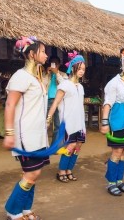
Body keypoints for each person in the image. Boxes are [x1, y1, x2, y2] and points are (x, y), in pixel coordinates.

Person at [2, 36, 48, 220]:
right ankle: (13, 210)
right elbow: (10, 105)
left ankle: (25, 209)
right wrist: (9, 134)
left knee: (33, 174)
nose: (46, 55)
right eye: (43, 51)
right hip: (25, 134)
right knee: (32, 173)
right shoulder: (20, 77)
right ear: (31, 54)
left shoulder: (36, 78)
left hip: (38, 134)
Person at [100, 47, 124, 196]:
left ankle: (119, 181)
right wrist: (105, 123)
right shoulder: (114, 83)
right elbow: (107, 103)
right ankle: (111, 182)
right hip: (117, 122)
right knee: (116, 151)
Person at [47, 51, 86, 182]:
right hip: (69, 123)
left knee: (78, 146)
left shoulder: (80, 87)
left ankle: (69, 169)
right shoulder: (64, 84)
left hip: (80, 122)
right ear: (73, 68)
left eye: (83, 69)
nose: (81, 71)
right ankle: (61, 171)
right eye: (79, 68)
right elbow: (56, 102)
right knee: (69, 147)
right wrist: (48, 118)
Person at [43, 56, 67, 145]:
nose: (54, 65)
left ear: (59, 64)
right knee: (44, 124)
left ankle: (55, 146)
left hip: (59, 101)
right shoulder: (46, 74)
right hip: (47, 101)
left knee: (58, 124)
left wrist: (57, 73)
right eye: (52, 63)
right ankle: (44, 145)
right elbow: (42, 85)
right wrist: (47, 74)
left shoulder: (63, 75)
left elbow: (64, 85)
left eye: (56, 63)